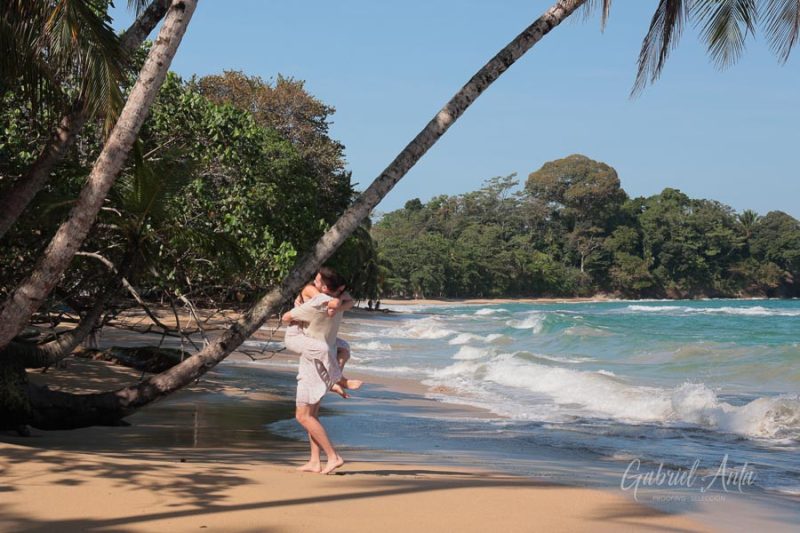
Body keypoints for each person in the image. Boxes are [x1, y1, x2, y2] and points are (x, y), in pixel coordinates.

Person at [281, 267, 358, 474]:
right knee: (312, 414)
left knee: (303, 416)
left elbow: (292, 315)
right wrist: (336, 304)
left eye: (318, 280)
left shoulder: (320, 297)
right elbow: (340, 301)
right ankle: (315, 461)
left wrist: (334, 304)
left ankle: (333, 456)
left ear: (325, 286)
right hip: (319, 351)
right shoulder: (335, 298)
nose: (314, 281)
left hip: (314, 356)